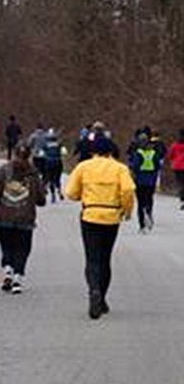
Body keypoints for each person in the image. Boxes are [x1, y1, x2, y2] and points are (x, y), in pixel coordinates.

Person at [65, 134, 135, 319]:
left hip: (90, 216)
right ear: (111, 151)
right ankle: (102, 297)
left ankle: (93, 290)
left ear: (93, 151)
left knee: (92, 258)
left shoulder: (83, 167)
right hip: (111, 217)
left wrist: (83, 196)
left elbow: (70, 193)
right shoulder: (120, 168)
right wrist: (126, 211)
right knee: (105, 258)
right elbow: (128, 190)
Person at [0, 143, 46, 294]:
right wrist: (38, 199)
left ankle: (7, 269)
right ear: (29, 156)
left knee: (6, 244)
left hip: (5, 214)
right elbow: (41, 197)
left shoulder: (5, 169)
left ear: (14, 154)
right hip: (25, 217)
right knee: (23, 248)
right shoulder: (33, 173)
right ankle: (17, 279)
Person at [131, 133, 163, 233]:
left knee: (140, 202)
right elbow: (158, 166)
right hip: (151, 180)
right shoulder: (153, 153)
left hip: (140, 181)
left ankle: (142, 226)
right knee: (149, 199)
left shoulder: (138, 153)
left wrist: (132, 170)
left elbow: (135, 166)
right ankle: (149, 213)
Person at [43, 129, 66, 203]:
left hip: (49, 162)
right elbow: (64, 152)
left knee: (50, 178)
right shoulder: (59, 145)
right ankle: (59, 191)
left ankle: (53, 195)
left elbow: (41, 154)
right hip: (58, 162)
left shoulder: (45, 145)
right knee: (57, 178)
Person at [169, 129, 184, 211]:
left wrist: (175, 160)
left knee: (180, 183)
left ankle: (182, 199)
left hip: (177, 166)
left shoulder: (175, 145)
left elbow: (171, 155)